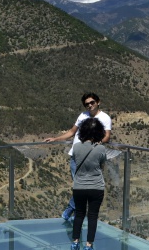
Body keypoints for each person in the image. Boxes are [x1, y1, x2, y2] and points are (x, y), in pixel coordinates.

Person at [45, 93, 112, 221]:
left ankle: (71, 210)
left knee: (83, 188)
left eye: (92, 102)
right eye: (87, 104)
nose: (90, 105)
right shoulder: (82, 116)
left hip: (91, 157)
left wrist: (97, 144)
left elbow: (107, 136)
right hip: (76, 156)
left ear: (98, 102)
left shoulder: (105, 118)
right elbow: (71, 132)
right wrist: (55, 138)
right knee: (79, 187)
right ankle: (77, 215)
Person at [69, 117, 111, 250]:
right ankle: (88, 246)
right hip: (96, 187)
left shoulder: (76, 147)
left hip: (79, 186)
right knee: (92, 217)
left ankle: (75, 243)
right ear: (99, 132)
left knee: (79, 215)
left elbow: (76, 161)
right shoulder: (100, 149)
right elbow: (102, 165)